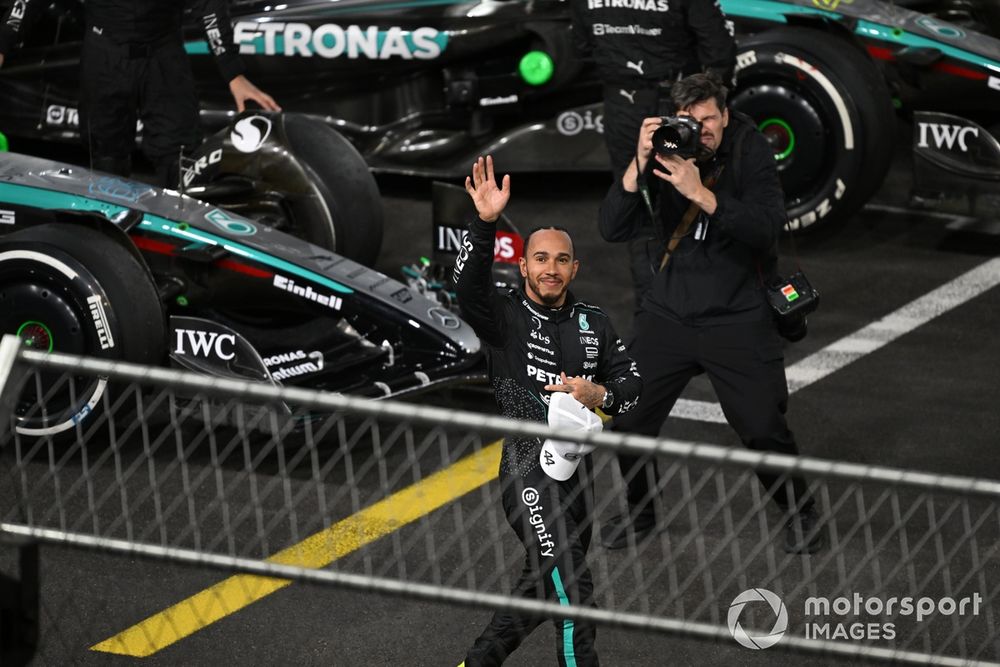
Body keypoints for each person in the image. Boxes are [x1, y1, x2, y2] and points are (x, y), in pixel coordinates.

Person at [597, 72, 823, 555]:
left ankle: (800, 511)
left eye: (708, 120)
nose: (699, 132)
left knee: (763, 427)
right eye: (689, 121)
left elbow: (765, 231)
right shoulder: (664, 147)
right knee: (629, 418)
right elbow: (612, 228)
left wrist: (702, 193)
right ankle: (641, 513)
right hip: (671, 309)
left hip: (738, 311)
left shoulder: (751, 149)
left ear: (725, 113)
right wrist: (638, 164)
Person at [454, 155, 642, 666]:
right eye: (540, 258)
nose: (550, 269)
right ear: (524, 265)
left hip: (578, 478)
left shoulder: (595, 322)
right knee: (574, 596)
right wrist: (485, 221)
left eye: (561, 260)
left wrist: (601, 396)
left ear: (574, 268)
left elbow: (632, 385)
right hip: (527, 471)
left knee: (544, 584)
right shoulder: (503, 317)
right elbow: (465, 287)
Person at [0, 0, 280, 185]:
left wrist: (233, 73)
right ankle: (107, 245)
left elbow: (208, 6)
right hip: (104, 54)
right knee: (106, 159)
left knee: (181, 160)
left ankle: (180, 250)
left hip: (163, 55)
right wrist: (3, 44)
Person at [571, 0, 736, 313]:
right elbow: (719, 51)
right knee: (690, 201)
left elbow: (580, 47)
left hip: (622, 105)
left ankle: (652, 313)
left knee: (638, 208)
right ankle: (700, 309)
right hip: (676, 108)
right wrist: (706, 110)